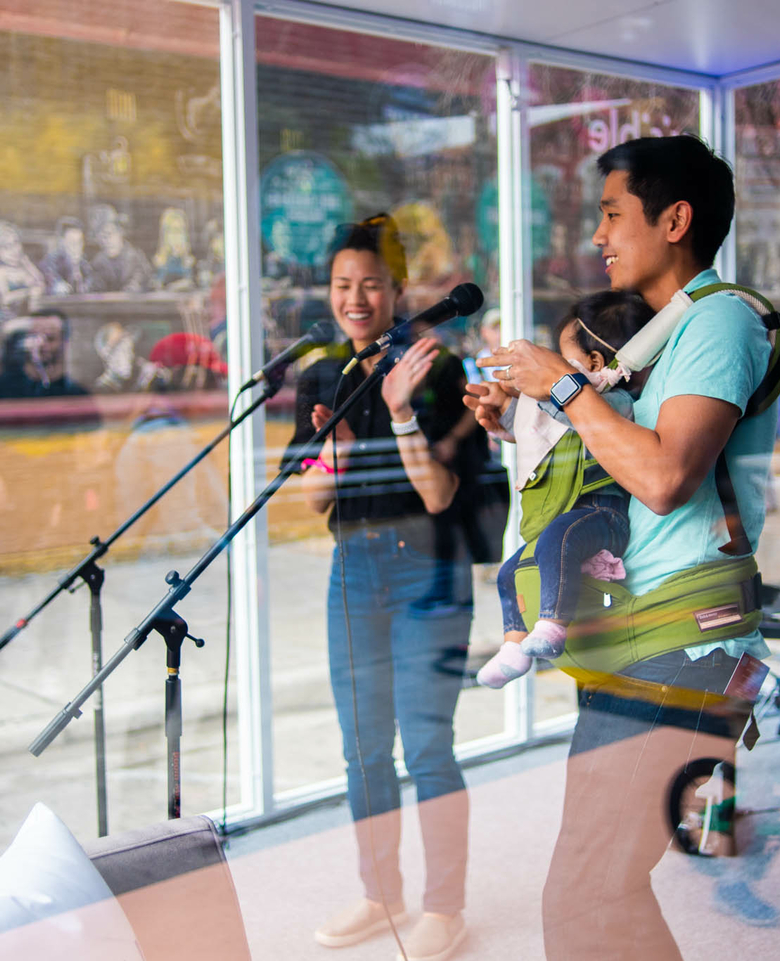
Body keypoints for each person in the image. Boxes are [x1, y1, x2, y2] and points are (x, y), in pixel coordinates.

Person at [470, 135, 779, 960]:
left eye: (612, 215)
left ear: (675, 220)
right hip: (644, 638)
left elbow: (668, 474)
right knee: (606, 883)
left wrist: (562, 385)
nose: (598, 237)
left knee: (583, 891)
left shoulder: (719, 322)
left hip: (686, 644)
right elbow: (613, 469)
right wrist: (526, 417)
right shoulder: (661, 339)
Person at [290, 214, 475, 961]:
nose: (355, 296)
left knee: (427, 746)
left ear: (398, 288)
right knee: (362, 748)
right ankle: (380, 893)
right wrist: (332, 446)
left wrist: (399, 411)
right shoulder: (322, 375)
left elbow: (438, 494)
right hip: (352, 570)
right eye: (342, 284)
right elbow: (312, 499)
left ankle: (445, 906)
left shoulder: (438, 367)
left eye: (370, 283)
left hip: (426, 570)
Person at [475, 291, 650, 689]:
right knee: (510, 570)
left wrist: (547, 384)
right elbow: (545, 429)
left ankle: (552, 623)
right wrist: (504, 408)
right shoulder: (575, 402)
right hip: (570, 516)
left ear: (594, 363)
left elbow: (565, 415)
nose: (554, 369)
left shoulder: (618, 403)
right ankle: (513, 646)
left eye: (562, 360)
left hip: (602, 515)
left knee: (557, 537)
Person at [0, 311, 90, 400]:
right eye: (34, 337)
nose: (40, 344)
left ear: (65, 343)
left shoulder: (77, 396)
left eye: (50, 338)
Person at [37, 217, 92, 296]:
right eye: (72, 242)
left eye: (79, 242)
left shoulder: (85, 263)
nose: (76, 247)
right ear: (61, 242)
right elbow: (56, 286)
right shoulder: (50, 262)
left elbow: (90, 284)